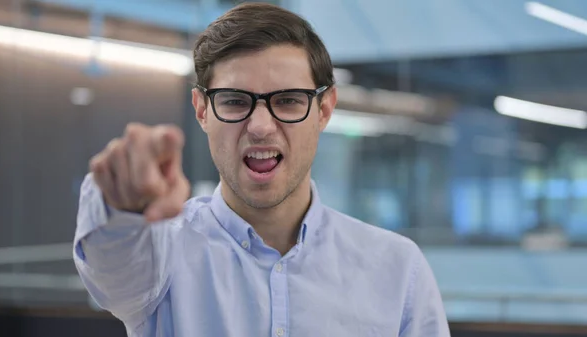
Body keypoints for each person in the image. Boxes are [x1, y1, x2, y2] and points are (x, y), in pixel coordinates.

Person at [73, 3, 450, 337]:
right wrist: (120, 199)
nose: (260, 126)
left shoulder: (397, 269)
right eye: (235, 101)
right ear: (202, 110)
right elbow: (114, 264)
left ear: (324, 109)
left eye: (288, 101)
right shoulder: (163, 255)